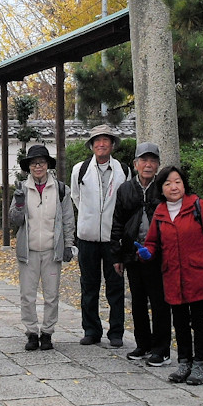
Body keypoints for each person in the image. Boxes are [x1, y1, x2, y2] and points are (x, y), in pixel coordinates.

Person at [136, 166, 203, 386]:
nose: (173, 187)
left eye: (177, 182)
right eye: (167, 183)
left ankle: (200, 364)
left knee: (199, 321)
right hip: (173, 275)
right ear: (161, 189)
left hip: (198, 273)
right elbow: (153, 241)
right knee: (180, 321)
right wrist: (147, 252)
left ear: (184, 184)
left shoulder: (198, 206)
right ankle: (184, 362)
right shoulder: (160, 211)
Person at [111, 142, 172, 366]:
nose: (148, 165)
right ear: (135, 164)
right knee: (138, 302)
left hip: (158, 253)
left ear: (158, 165)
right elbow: (117, 223)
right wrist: (117, 256)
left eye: (153, 161)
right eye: (144, 160)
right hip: (133, 252)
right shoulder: (125, 189)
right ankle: (143, 344)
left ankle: (161, 349)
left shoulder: (163, 188)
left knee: (159, 302)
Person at [10, 144, 76, 351]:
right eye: (33, 163)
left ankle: (47, 332)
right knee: (27, 295)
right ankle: (31, 332)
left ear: (48, 165)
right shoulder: (22, 188)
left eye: (41, 162)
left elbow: (68, 219)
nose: (37, 167)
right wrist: (19, 204)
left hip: (51, 250)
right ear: (28, 167)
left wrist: (68, 244)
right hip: (28, 251)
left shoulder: (61, 189)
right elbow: (14, 220)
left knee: (52, 295)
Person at [70, 123, 129, 347]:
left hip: (114, 238)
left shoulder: (123, 170)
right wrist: (90, 217)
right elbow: (76, 197)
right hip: (87, 237)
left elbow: (125, 201)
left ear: (112, 145)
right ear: (91, 145)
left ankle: (116, 332)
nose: (101, 144)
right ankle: (91, 330)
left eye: (106, 140)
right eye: (97, 140)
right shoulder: (80, 169)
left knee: (116, 286)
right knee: (89, 285)